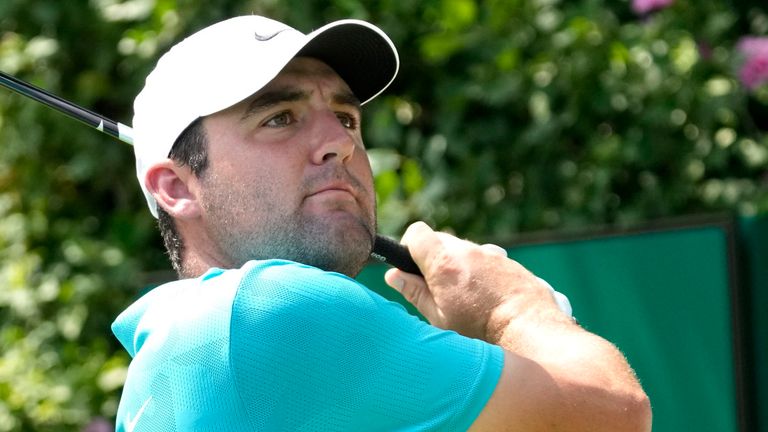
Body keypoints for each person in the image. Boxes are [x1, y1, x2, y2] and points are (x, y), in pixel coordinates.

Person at [112, 14, 652, 432]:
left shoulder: (201, 348)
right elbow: (615, 415)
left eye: (346, 118)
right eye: (279, 118)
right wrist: (512, 309)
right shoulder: (264, 313)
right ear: (176, 188)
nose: (340, 143)